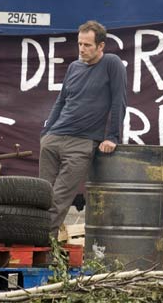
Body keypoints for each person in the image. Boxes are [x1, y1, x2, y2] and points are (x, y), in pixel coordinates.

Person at [39, 20, 127, 237]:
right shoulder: (73, 67)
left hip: (82, 142)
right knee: (41, 196)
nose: (82, 49)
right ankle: (36, 242)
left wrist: (113, 137)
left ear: (101, 46)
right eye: (79, 44)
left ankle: (41, 243)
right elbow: (61, 101)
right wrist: (47, 132)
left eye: (87, 45)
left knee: (59, 199)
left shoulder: (111, 63)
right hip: (54, 138)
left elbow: (119, 101)